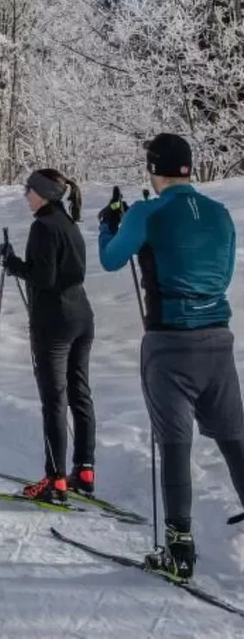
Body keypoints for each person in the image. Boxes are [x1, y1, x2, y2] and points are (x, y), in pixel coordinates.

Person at [99, 134, 244, 583]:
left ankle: (179, 548)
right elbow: (223, 271)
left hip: (169, 343)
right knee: (234, 438)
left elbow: (110, 259)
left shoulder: (147, 211)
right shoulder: (221, 214)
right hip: (217, 340)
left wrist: (110, 224)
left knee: (175, 443)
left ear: (154, 169)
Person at [0, 169, 96, 504]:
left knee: (54, 400)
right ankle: (83, 471)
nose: (25, 195)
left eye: (29, 189)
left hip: (54, 324)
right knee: (79, 394)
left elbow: (44, 276)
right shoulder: (68, 225)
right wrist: (18, 264)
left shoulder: (43, 226)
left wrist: (11, 262)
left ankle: (55, 481)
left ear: (43, 193)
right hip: (82, 317)